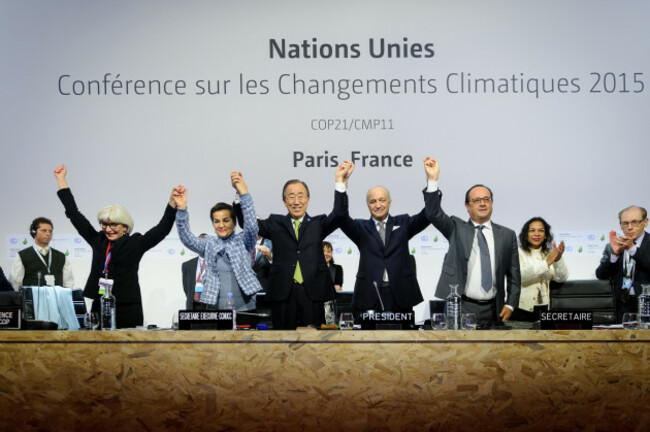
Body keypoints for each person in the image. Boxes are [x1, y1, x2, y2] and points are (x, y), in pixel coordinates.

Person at [54, 164, 178, 328]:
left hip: (127, 306)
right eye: (104, 224)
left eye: (113, 225)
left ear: (125, 226)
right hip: (100, 303)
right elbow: (74, 215)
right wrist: (61, 181)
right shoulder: (97, 240)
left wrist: (172, 204)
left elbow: (161, 230)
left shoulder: (135, 243)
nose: (108, 229)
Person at [423, 157, 521, 326]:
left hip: (495, 308)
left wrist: (511, 303)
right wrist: (432, 180)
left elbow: (514, 275)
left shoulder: (507, 235)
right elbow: (433, 213)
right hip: (463, 306)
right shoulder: (457, 228)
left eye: (486, 199)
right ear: (467, 206)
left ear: (491, 203)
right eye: (476, 201)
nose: (482, 203)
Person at [257, 163, 349, 329]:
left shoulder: (318, 223)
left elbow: (340, 214)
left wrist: (340, 182)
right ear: (284, 201)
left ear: (308, 199)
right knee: (282, 344)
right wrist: (239, 194)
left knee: (315, 345)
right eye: (291, 197)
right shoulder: (275, 223)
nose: (296, 201)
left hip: (313, 293)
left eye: (301, 196)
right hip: (284, 293)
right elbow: (247, 224)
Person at [337, 160, 434, 315]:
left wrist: (432, 182)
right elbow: (340, 217)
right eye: (373, 201)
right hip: (369, 294)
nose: (378, 205)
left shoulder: (403, 223)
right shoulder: (360, 228)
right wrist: (341, 183)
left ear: (389, 203)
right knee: (368, 339)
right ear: (368, 205)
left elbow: (429, 214)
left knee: (402, 339)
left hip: (401, 294)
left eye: (382, 200)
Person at [174, 172, 262, 311]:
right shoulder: (209, 244)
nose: (221, 225)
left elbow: (251, 225)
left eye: (226, 220)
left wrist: (244, 193)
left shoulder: (244, 241)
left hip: (246, 308)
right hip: (215, 308)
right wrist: (182, 210)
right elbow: (186, 237)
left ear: (234, 223)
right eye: (216, 221)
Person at [596, 205, 649, 322]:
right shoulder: (613, 246)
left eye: (635, 222)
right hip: (622, 303)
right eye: (625, 223)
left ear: (645, 222)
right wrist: (614, 255)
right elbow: (601, 274)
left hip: (646, 302)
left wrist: (632, 249)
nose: (629, 227)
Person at [513, 217, 569, 322]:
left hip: (544, 308)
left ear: (546, 235)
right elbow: (519, 276)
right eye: (532, 230)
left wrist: (558, 259)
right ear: (526, 234)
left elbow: (561, 278)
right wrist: (546, 263)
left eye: (541, 231)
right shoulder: (517, 252)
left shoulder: (549, 253)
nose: (537, 234)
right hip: (520, 309)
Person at [10, 217, 74, 291]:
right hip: (32, 300)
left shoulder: (61, 256)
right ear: (34, 232)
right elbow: (15, 282)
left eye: (50, 231)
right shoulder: (23, 255)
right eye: (44, 231)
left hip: (56, 300)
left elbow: (68, 283)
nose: (48, 234)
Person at [181, 233, 207, 310]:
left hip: (211, 308)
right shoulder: (187, 265)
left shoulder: (218, 264)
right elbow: (186, 289)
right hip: (193, 307)